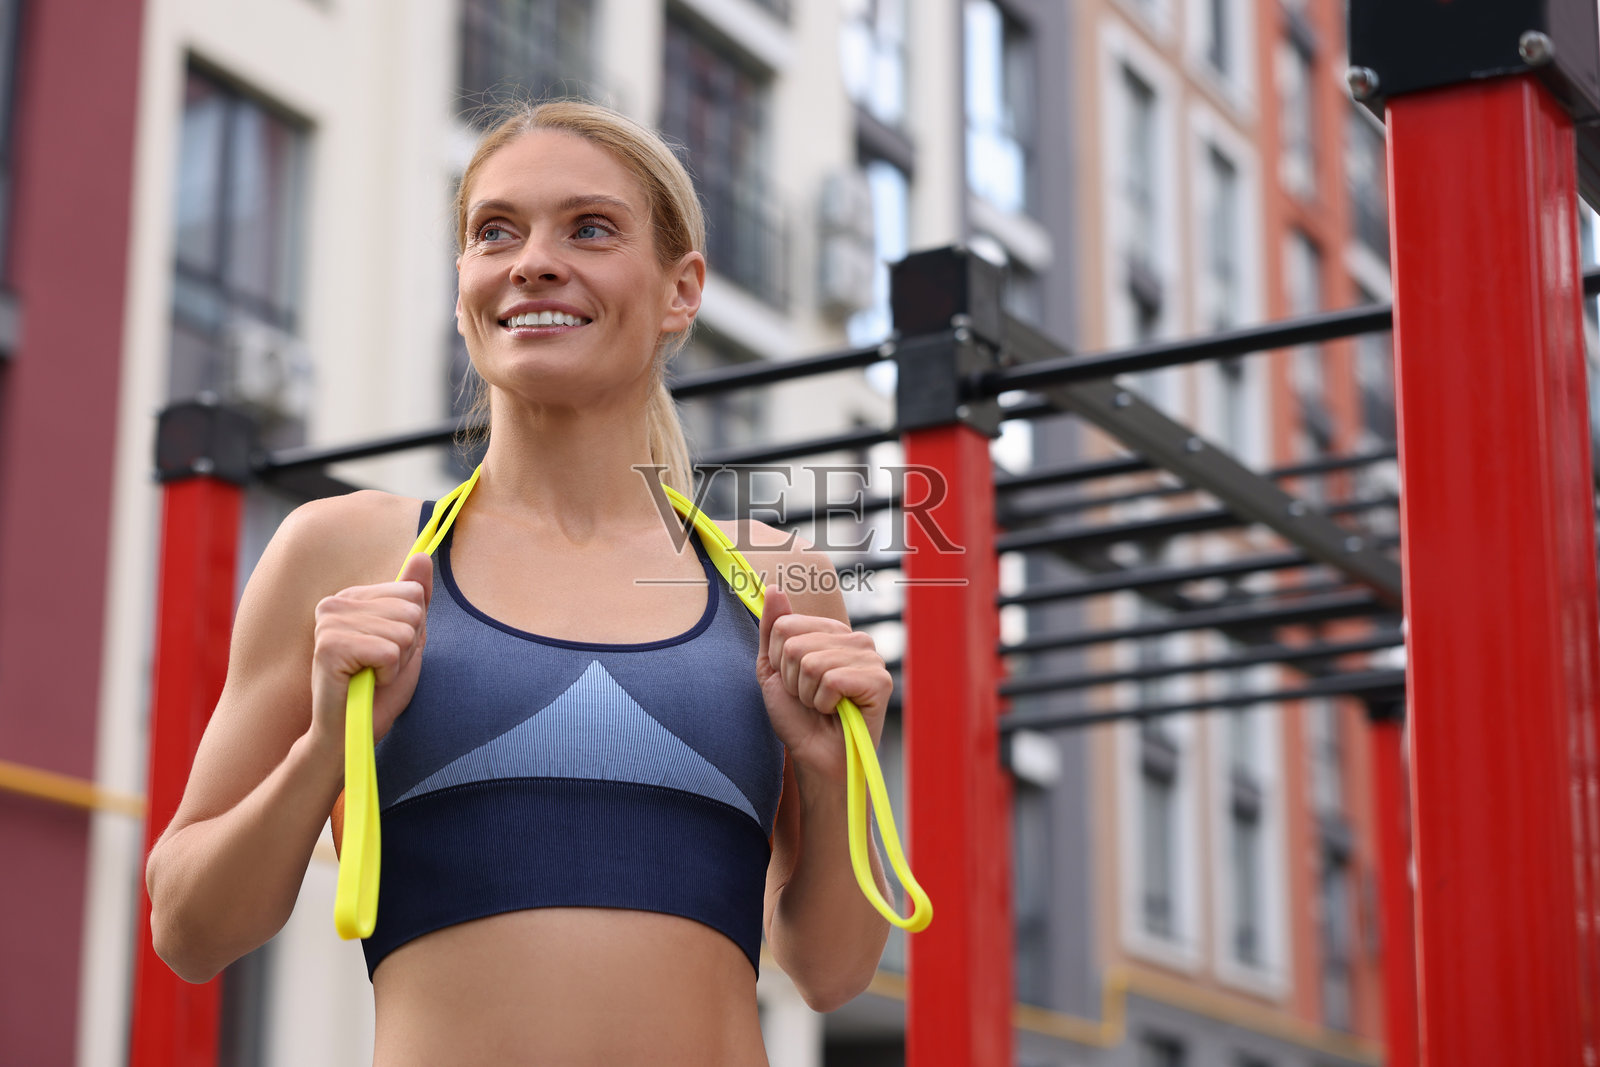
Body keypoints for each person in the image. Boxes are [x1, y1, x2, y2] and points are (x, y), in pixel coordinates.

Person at [144, 99, 895, 1065]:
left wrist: (833, 775)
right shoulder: (342, 553)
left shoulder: (774, 580)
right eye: (495, 231)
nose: (532, 261)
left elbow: (832, 972)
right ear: (464, 281)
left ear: (682, 290)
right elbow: (188, 931)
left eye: (590, 228)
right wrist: (326, 749)